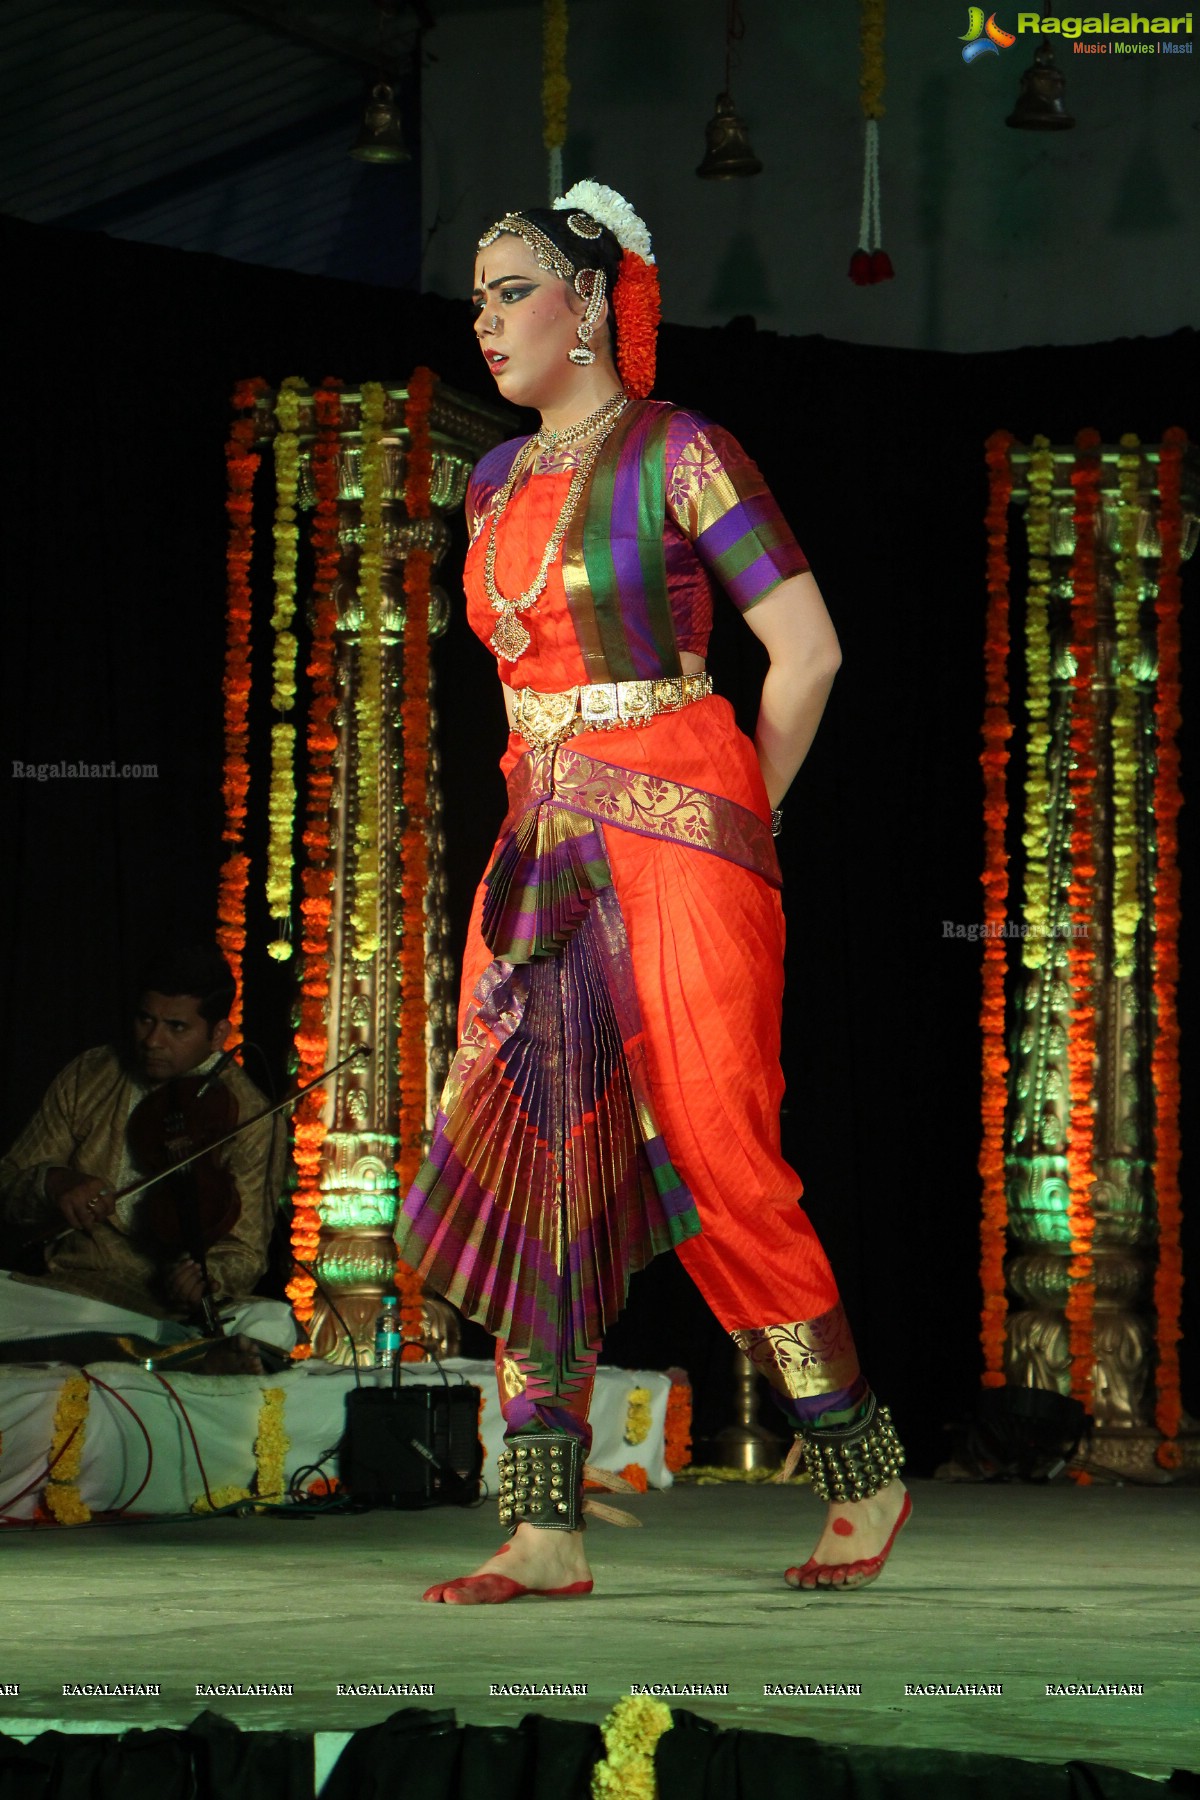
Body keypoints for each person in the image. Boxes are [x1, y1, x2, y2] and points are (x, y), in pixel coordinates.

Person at [395, 182, 910, 1602]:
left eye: (514, 290)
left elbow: (803, 654)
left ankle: (860, 1463)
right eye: (480, 294)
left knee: (722, 1153)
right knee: (530, 1164)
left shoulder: (685, 452)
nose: (488, 317)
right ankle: (544, 1526)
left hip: (683, 830)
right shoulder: (493, 482)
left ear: (594, 298)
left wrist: (749, 812)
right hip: (537, 845)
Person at [0, 945, 292, 1358]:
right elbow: (9, 1182)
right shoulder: (90, 1074)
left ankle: (160, 1351)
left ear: (218, 1035)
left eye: (176, 1027)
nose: (153, 1040)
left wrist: (206, 1280)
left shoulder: (253, 1117)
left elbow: (244, 1251)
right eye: (145, 1020)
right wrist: (54, 1181)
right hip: (73, 1292)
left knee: (270, 1323)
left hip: (170, 1312)